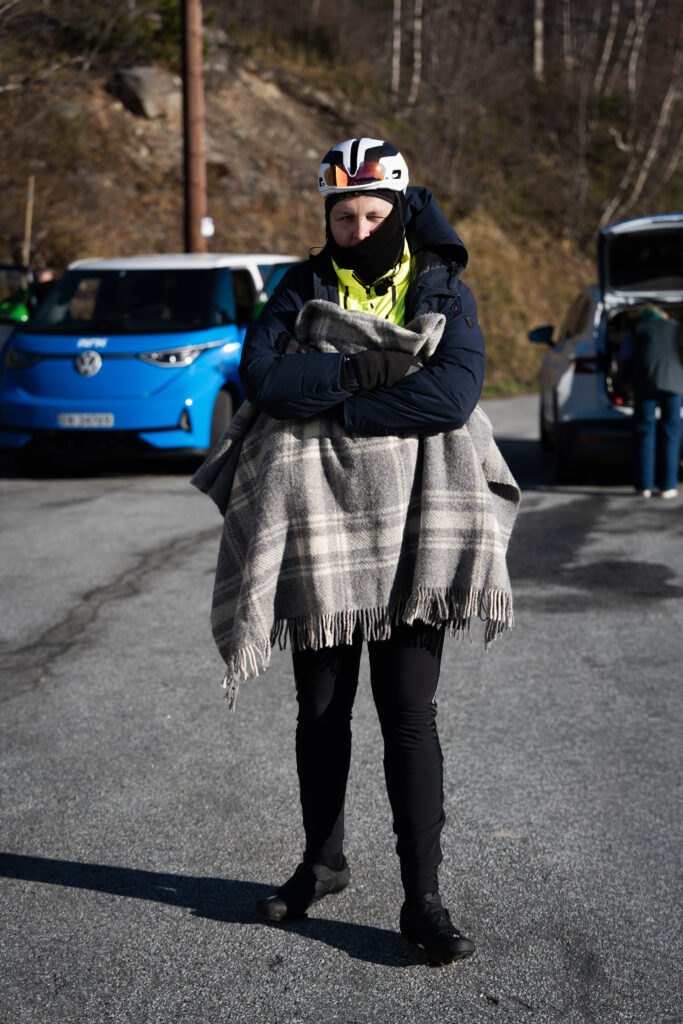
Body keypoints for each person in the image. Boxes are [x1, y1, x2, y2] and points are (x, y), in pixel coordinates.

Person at [193, 138, 519, 965]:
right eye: (345, 216)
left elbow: (452, 395)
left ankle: (423, 898)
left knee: (409, 717)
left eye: (375, 214)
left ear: (400, 210)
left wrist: (331, 398)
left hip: (417, 526)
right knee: (322, 713)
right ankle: (322, 864)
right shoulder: (299, 285)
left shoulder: (442, 285)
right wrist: (372, 372)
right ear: (328, 219)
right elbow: (263, 381)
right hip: (321, 531)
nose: (359, 227)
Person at [619, 306, 683, 498]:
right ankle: (668, 486)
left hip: (645, 383)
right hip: (675, 383)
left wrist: (626, 382)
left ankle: (644, 487)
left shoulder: (637, 329)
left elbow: (625, 358)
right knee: (671, 432)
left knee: (645, 432)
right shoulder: (676, 327)